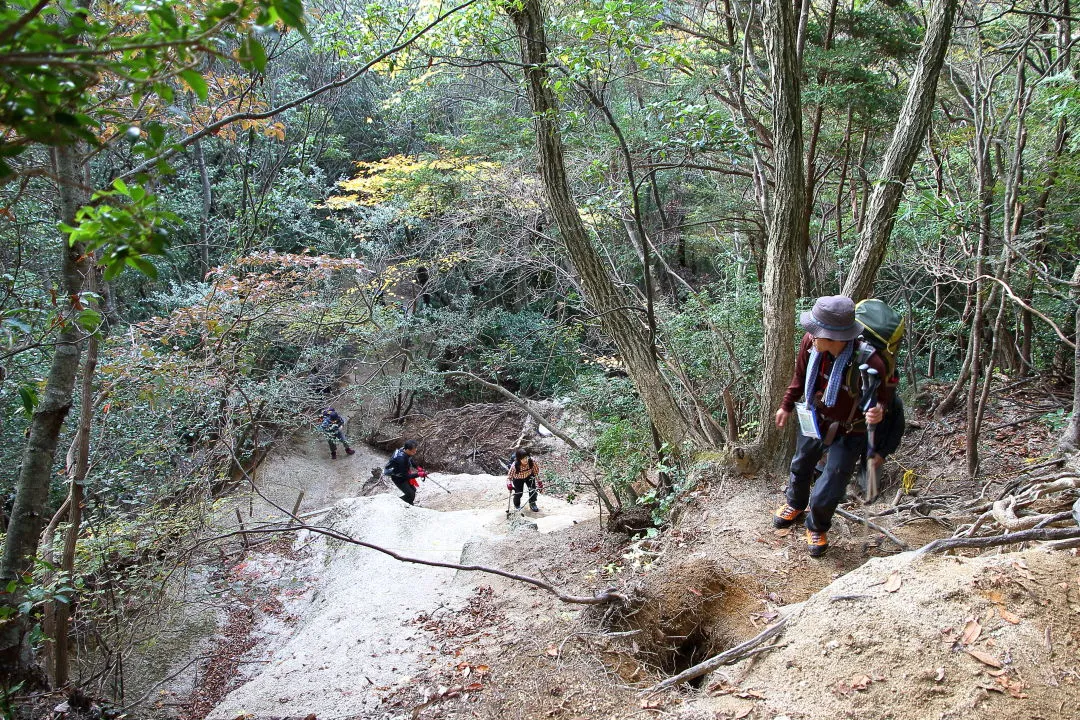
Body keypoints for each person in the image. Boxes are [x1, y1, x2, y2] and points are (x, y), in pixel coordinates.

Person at [773, 295, 893, 557]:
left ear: (835, 336)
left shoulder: (869, 361)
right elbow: (799, 377)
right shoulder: (810, 345)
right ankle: (795, 503)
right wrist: (786, 405)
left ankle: (817, 526)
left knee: (833, 480)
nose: (811, 335)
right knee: (801, 463)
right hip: (815, 417)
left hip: (852, 429)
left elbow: (883, 399)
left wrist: (878, 411)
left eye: (817, 331)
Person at [384, 439, 423, 505]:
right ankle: (395, 503)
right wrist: (418, 474)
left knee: (413, 490)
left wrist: (417, 467)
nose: (415, 452)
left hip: (401, 474)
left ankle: (409, 504)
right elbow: (405, 476)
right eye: (413, 451)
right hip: (398, 478)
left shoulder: (403, 450)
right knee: (410, 494)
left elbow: (410, 459)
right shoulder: (401, 460)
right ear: (408, 450)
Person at [506, 448, 541, 513]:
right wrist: (509, 484)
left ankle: (532, 503)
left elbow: (536, 472)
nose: (525, 460)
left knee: (533, 490)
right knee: (519, 493)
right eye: (523, 459)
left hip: (529, 476)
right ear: (519, 459)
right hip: (518, 478)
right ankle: (517, 505)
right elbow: (509, 477)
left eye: (526, 457)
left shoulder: (532, 462)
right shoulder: (515, 466)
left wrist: (539, 482)